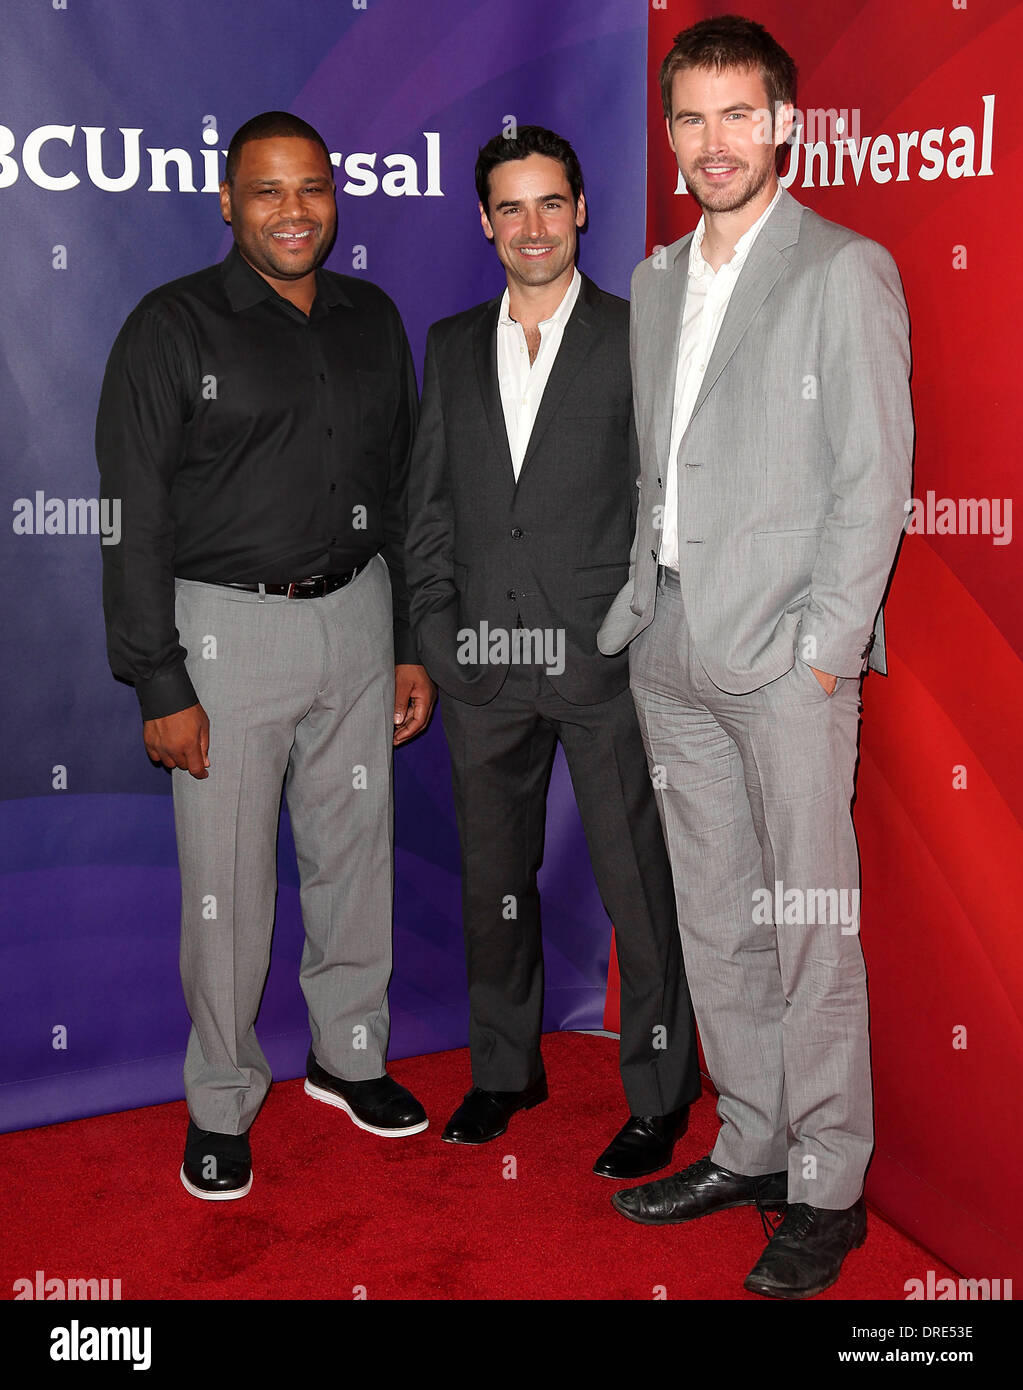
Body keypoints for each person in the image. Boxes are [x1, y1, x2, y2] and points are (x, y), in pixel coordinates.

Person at [598, 16, 912, 1297]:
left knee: (808, 930)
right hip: (665, 637)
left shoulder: (845, 268)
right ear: (669, 134)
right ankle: (753, 1141)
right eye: (691, 118)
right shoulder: (659, 278)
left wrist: (826, 653)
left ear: (784, 123)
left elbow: (874, 476)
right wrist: (641, 605)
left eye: (740, 115)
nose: (714, 142)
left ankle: (829, 1187)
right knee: (718, 919)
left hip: (786, 661)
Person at [96, 111, 436, 1201]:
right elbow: (134, 517)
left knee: (356, 857)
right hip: (223, 632)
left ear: (335, 197)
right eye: (268, 191)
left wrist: (409, 644)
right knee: (229, 889)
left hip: (358, 616)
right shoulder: (171, 326)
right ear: (230, 201)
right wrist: (159, 676)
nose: (294, 211)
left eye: (313, 190)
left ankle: (349, 1054)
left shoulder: (372, 318)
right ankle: (221, 1099)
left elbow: (403, 493)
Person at [405, 126, 701, 1178]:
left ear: (582, 209)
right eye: (509, 208)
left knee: (638, 885)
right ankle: (503, 1069)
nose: (531, 227)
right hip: (482, 660)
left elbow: (666, 502)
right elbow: (426, 505)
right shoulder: (446, 344)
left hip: (607, 660)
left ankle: (662, 1093)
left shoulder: (639, 334)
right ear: (485, 223)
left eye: (549, 204)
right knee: (495, 878)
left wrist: (640, 626)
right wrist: (435, 640)